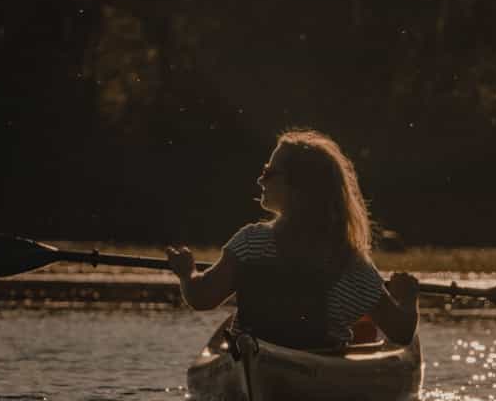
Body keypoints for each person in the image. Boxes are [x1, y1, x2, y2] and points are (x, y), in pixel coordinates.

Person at [166, 130, 419, 349]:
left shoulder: (251, 243)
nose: (259, 179)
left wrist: (187, 274)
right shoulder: (353, 267)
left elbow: (201, 298)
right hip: (319, 367)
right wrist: (407, 297)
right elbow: (402, 331)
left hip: (253, 354)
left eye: (268, 172)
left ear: (299, 189)